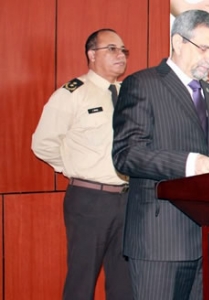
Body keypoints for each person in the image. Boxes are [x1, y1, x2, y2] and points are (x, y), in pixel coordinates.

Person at [111, 10, 209, 300]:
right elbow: (126, 154)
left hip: (203, 236)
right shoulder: (143, 84)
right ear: (177, 42)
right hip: (159, 239)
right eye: (203, 49)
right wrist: (188, 162)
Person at [31, 29, 133, 300]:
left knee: (125, 283)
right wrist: (77, 169)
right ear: (91, 54)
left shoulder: (128, 95)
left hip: (127, 200)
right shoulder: (72, 93)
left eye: (123, 50)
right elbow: (42, 143)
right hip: (89, 199)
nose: (120, 55)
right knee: (82, 280)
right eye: (112, 49)